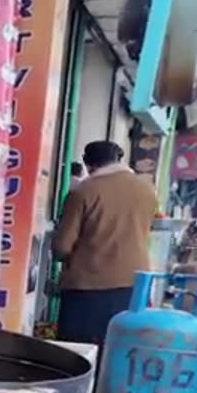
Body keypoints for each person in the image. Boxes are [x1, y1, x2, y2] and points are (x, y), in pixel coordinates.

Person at [53, 140, 158, 346]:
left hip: (87, 288)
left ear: (87, 163)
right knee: (119, 347)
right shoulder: (147, 191)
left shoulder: (83, 192)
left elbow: (62, 246)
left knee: (79, 352)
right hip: (134, 285)